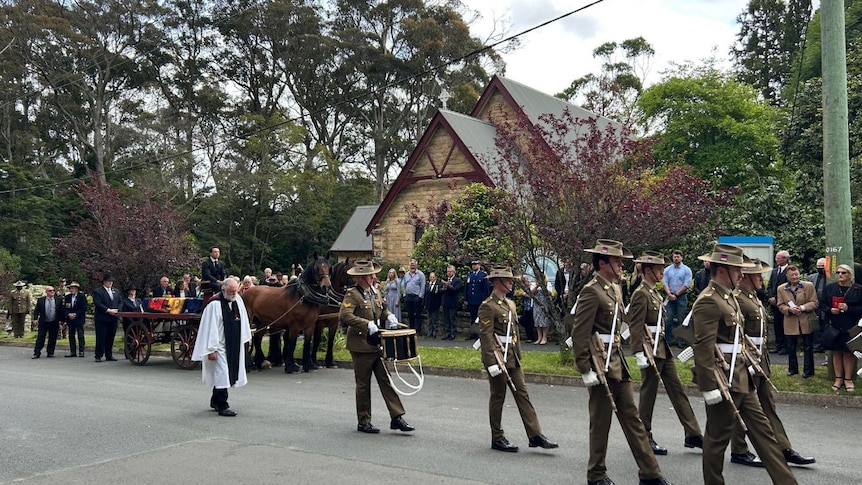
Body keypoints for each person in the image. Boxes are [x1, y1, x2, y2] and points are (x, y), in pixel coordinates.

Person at [690, 244, 797, 485]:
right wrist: (709, 388)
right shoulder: (708, 300)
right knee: (717, 440)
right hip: (724, 380)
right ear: (722, 270)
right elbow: (703, 347)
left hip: (742, 377)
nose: (741, 274)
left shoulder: (728, 296)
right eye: (737, 269)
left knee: (765, 435)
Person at [571, 240, 670, 485]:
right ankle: (596, 474)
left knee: (633, 418)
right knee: (601, 421)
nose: (620, 265)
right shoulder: (591, 291)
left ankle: (650, 473)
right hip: (600, 364)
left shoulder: (614, 289)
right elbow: (579, 333)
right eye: (616, 261)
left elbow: (621, 323)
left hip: (616, 361)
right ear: (602, 263)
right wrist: (585, 369)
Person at [730, 258, 815, 468]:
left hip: (760, 359)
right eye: (758, 275)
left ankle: (783, 448)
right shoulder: (737, 298)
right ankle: (739, 450)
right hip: (746, 360)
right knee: (741, 406)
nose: (762, 279)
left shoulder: (752, 297)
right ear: (747, 277)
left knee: (768, 404)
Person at [628, 251, 703, 456]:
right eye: (659, 269)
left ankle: (692, 433)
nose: (662, 272)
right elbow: (635, 326)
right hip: (651, 350)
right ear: (648, 270)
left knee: (677, 390)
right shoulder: (641, 293)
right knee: (648, 393)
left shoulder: (653, 291)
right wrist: (639, 353)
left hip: (662, 348)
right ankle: (644, 436)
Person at [479, 265, 558, 453]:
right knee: (498, 396)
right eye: (508, 281)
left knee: (523, 394)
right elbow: (486, 336)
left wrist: (518, 355)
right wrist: (491, 363)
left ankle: (535, 435)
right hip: (498, 358)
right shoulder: (487, 306)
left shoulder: (510, 304)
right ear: (498, 282)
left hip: (512, 357)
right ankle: (497, 437)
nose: (511, 284)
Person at [338, 260, 414, 434]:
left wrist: (389, 316)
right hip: (360, 344)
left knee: (386, 380)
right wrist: (366, 324)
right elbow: (345, 316)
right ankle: (363, 421)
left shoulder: (375, 291)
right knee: (363, 384)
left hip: (376, 344)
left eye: (373, 274)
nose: (374, 277)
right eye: (370, 274)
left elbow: (382, 309)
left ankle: (397, 417)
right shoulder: (353, 294)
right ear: (362, 277)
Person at [191, 277, 251, 417]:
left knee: (224, 373)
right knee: (222, 373)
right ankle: (223, 405)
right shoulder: (214, 304)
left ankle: (215, 401)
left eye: (235, 291)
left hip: (233, 344)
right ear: (223, 289)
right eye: (230, 291)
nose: (233, 294)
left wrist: (244, 337)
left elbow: (242, 320)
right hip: (220, 345)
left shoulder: (237, 300)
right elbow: (211, 328)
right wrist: (211, 349)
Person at [819, 263, 862, 393]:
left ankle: (848, 379)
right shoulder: (830, 288)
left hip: (851, 325)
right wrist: (830, 310)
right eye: (838, 273)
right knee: (836, 352)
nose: (840, 275)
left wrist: (849, 308)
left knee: (849, 352)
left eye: (843, 273)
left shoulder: (858, 289)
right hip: (834, 324)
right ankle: (838, 378)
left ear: (850, 275)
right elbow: (822, 304)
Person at [777, 265, 818, 378]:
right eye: (792, 275)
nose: (795, 277)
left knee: (808, 346)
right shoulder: (781, 288)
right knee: (791, 346)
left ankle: (808, 370)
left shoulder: (808, 286)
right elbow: (780, 305)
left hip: (806, 320)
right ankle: (792, 369)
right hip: (790, 321)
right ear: (787, 276)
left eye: (797, 274)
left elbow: (814, 302)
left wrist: (802, 308)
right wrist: (789, 309)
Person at [662, 250, 692, 347]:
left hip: (681, 297)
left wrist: (676, 294)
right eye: (674, 256)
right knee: (668, 319)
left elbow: (686, 284)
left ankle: (680, 341)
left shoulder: (686, 270)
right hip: (669, 296)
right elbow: (665, 283)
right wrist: (669, 294)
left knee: (681, 319)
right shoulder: (667, 270)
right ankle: (668, 340)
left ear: (681, 257)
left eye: (678, 256)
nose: (676, 258)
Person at [92, 273, 122, 362]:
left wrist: (117, 310)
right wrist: (108, 310)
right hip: (102, 318)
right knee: (101, 337)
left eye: (111, 281)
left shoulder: (116, 291)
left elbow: (120, 302)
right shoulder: (98, 291)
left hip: (113, 318)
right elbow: (98, 303)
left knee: (110, 337)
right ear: (104, 282)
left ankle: (109, 354)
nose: (110, 283)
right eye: (109, 281)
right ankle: (98, 355)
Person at [767, 250, 790, 354]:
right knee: (777, 325)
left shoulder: (789, 271)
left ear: (785, 259)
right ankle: (778, 345)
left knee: (785, 324)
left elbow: (788, 286)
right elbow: (770, 285)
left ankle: (786, 346)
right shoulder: (775, 271)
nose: (776, 259)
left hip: (784, 302)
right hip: (774, 303)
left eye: (778, 258)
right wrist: (771, 296)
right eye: (776, 257)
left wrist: (777, 297)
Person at [32, 286, 64, 359]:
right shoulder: (41, 300)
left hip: (54, 322)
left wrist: (62, 322)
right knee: (40, 338)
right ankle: (37, 353)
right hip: (44, 321)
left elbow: (61, 311)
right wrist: (35, 319)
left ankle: (50, 352)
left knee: (52, 338)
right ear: (46, 292)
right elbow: (36, 310)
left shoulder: (58, 300)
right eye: (50, 291)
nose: (52, 292)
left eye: (53, 290)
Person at [465, 260, 490, 339]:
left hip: (480, 300)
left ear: (479, 265)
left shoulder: (483, 275)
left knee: (480, 318)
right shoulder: (470, 274)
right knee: (473, 317)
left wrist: (485, 300)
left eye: (475, 264)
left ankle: (480, 334)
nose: (474, 266)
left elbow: (486, 289)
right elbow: (467, 288)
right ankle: (473, 333)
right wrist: (466, 299)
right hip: (472, 300)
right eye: (473, 265)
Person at [807, 257, 828, 353]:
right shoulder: (811, 278)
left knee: (825, 325)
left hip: (825, 306)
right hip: (814, 306)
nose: (820, 268)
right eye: (818, 266)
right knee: (815, 326)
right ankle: (816, 345)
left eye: (822, 266)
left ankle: (824, 345)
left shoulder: (830, 278)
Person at [63, 282, 87, 357]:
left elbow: (84, 308)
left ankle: (81, 351)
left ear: (77, 289)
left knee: (80, 335)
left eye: (73, 288)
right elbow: (65, 308)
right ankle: (73, 351)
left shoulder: (82, 297)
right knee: (71, 335)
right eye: (70, 288)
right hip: (70, 320)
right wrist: (68, 314)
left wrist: (76, 314)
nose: (71, 290)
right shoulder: (67, 297)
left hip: (79, 319)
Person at [402, 259, 425, 334]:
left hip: (416, 297)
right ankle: (411, 330)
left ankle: (418, 331)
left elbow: (423, 286)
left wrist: (420, 296)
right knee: (410, 315)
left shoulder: (420, 274)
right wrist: (404, 295)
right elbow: (404, 285)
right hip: (408, 297)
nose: (412, 266)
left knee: (417, 314)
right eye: (411, 265)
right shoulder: (406, 274)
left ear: (416, 266)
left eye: (414, 265)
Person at [441, 264, 463, 340]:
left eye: (450, 271)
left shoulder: (457, 280)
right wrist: (443, 288)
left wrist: (448, 286)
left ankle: (453, 334)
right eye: (448, 272)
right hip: (445, 302)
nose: (449, 273)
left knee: (452, 319)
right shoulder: (445, 279)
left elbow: (455, 290)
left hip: (453, 303)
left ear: (454, 272)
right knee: (446, 319)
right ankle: (447, 333)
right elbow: (440, 291)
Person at [531, 274, 551, 345]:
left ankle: (544, 337)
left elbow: (550, 293)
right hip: (536, 304)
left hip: (544, 303)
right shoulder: (533, 284)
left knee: (544, 320)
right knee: (537, 320)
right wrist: (537, 286)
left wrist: (543, 286)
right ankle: (539, 337)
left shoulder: (548, 284)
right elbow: (531, 293)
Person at [424, 271, 442, 338]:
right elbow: (425, 295)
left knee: (435, 320)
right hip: (428, 305)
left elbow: (439, 295)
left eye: (433, 277)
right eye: (431, 277)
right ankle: (430, 332)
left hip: (435, 305)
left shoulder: (438, 285)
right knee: (429, 320)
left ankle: (435, 333)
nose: (432, 278)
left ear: (436, 278)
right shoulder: (427, 285)